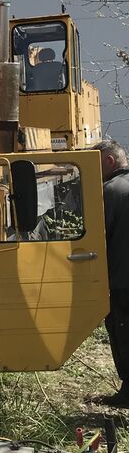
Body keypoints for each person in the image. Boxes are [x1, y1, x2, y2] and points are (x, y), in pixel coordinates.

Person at [95, 138, 129, 407]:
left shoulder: (109, 191)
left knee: (123, 334)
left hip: (121, 282)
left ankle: (127, 392)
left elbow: (95, 236)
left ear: (109, 161)